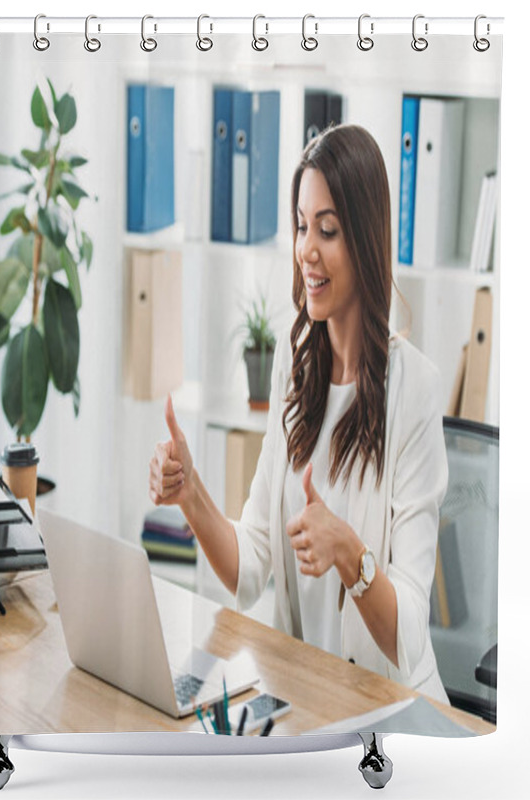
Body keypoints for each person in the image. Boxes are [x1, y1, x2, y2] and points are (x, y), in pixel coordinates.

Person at [149, 124, 449, 703]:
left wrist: (349, 554)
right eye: (302, 227)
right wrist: (190, 494)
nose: (307, 249)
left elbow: (408, 636)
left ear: (365, 239)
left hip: (388, 707)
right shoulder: (293, 363)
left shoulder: (415, 391)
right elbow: (251, 564)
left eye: (328, 231)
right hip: (308, 696)